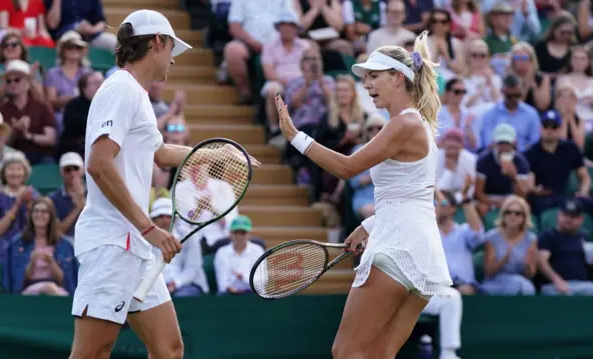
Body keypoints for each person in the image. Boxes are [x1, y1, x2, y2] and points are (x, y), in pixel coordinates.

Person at [68, 10, 259, 359]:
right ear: (157, 42)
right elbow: (98, 164)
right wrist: (148, 228)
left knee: (169, 349)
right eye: (171, 47)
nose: (173, 58)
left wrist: (221, 154)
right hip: (114, 242)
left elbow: (160, 152)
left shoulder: (134, 93)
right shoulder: (122, 89)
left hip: (134, 246)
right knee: (91, 353)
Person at [276, 31, 452, 358]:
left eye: (373, 76)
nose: (367, 84)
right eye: (365, 77)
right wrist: (369, 225)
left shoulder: (404, 124)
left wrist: (295, 136)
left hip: (398, 247)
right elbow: (410, 194)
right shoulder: (419, 123)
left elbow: (346, 168)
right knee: (378, 355)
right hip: (421, 249)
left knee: (346, 351)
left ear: (397, 78)